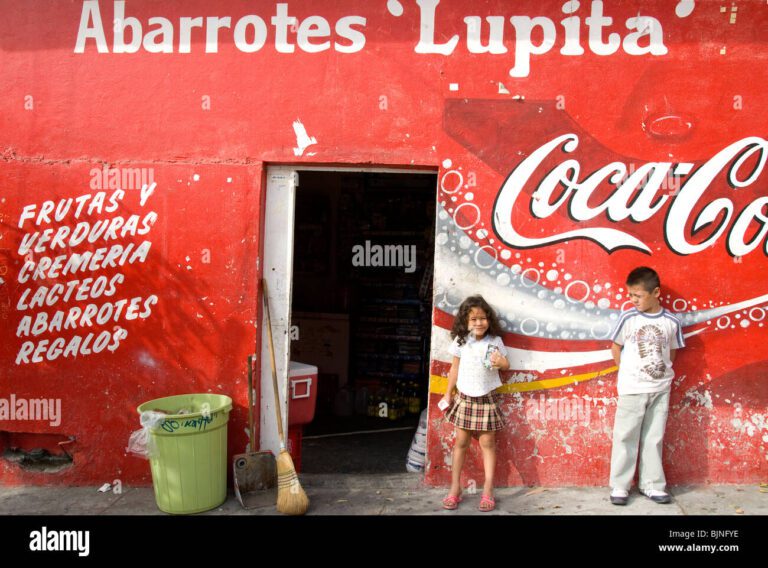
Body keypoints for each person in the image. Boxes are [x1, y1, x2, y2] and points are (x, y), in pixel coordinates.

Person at [608, 266, 685, 505]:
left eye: (638, 295)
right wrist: (627, 373)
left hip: (660, 389)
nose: (633, 300)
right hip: (632, 388)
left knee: (654, 437)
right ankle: (620, 486)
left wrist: (662, 374)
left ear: (656, 293)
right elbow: (615, 346)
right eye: (630, 295)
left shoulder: (671, 321)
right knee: (625, 436)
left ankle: (652, 484)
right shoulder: (628, 318)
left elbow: (671, 351)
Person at [439, 295, 510, 512]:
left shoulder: (495, 342)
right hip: (465, 398)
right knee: (461, 442)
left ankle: (488, 488)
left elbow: (506, 365)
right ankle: (455, 487)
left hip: (486, 399)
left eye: (482, 318)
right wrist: (447, 394)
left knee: (487, 443)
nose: (478, 323)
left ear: (489, 320)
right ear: (465, 322)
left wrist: (502, 362)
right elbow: (454, 369)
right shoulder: (461, 341)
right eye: (473, 319)